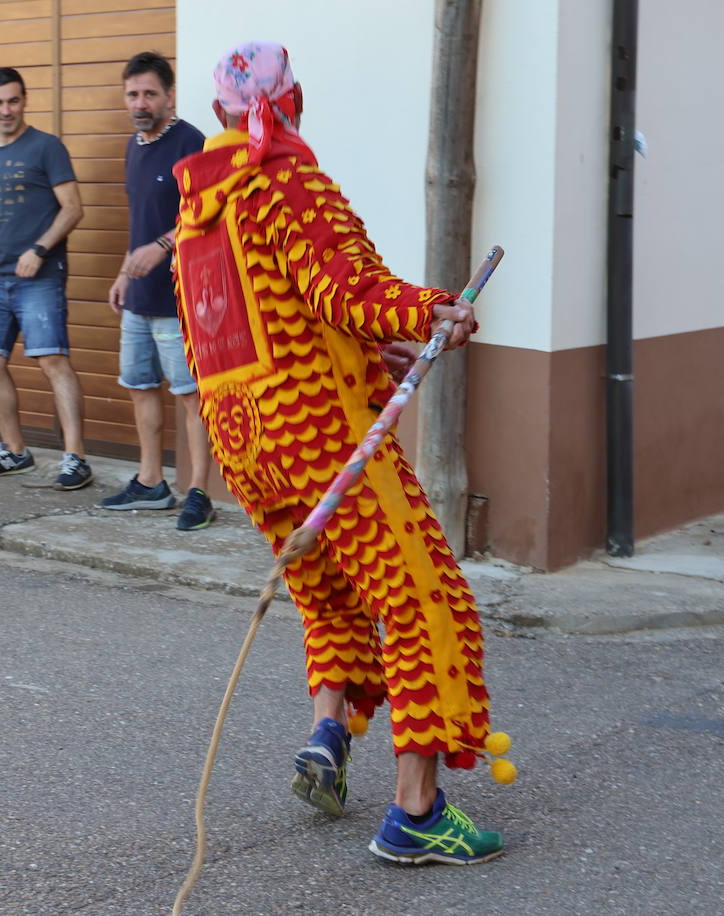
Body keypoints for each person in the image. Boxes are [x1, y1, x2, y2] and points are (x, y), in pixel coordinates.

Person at [171, 42, 502, 865]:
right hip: (320, 438)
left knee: (333, 600)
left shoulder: (194, 216)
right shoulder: (286, 182)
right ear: (297, 101)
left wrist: (367, 355)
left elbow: (249, 330)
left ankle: (329, 733)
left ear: (216, 114)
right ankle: (418, 813)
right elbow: (343, 288)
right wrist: (433, 311)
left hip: (247, 447)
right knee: (428, 599)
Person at [0, 67, 91, 490]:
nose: (6, 110)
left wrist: (40, 249)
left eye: (13, 101)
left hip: (40, 276)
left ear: (25, 100)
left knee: (52, 361)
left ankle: (76, 458)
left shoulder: (47, 147)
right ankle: (15, 451)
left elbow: (72, 208)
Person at [101, 52, 214, 530]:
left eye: (150, 93)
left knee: (190, 396)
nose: (140, 102)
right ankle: (151, 483)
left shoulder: (193, 145)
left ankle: (200, 493)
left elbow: (210, 215)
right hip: (140, 298)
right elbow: (141, 221)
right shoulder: (134, 145)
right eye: (132, 94)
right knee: (140, 387)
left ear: (170, 95)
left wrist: (162, 247)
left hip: (179, 301)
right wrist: (127, 271)